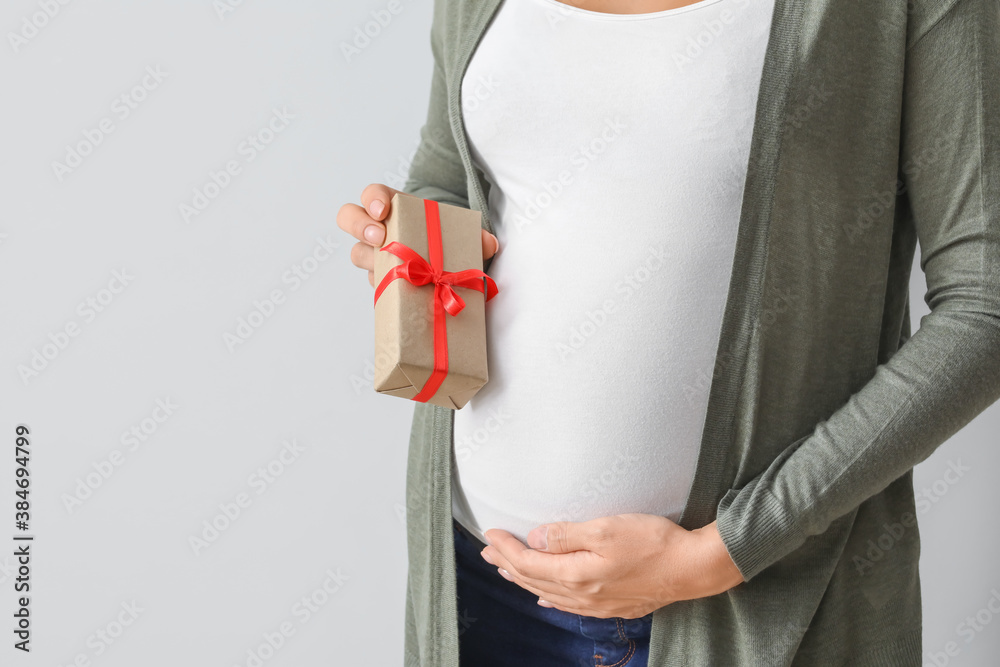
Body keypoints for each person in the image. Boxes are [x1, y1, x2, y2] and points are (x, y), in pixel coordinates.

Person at [337, 0, 1000, 664]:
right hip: (476, 574)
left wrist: (719, 554)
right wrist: (405, 238)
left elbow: (984, 306)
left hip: (737, 603)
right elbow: (451, 173)